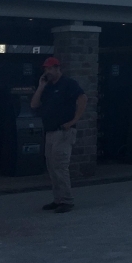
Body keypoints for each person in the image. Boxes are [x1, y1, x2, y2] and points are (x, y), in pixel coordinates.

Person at [31, 57, 87, 213]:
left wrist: (73, 121)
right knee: (51, 167)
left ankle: (67, 200)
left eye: (50, 69)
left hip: (63, 131)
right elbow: (34, 105)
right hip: (50, 131)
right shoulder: (48, 87)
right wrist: (41, 86)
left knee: (60, 166)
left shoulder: (69, 84)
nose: (47, 72)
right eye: (45, 69)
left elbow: (83, 98)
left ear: (57, 68)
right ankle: (58, 199)